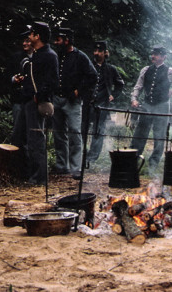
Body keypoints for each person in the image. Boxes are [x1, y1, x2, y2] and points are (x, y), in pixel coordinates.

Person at [10, 21, 58, 185]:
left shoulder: (50, 55)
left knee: (36, 140)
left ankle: (39, 178)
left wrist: (39, 96)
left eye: (31, 34)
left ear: (37, 36)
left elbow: (52, 82)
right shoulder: (37, 54)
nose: (29, 37)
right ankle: (24, 173)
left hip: (36, 102)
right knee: (19, 138)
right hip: (27, 101)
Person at [130, 46, 172, 175]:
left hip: (162, 106)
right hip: (146, 105)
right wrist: (134, 98)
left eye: (156, 54)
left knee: (159, 136)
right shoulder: (145, 70)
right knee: (140, 133)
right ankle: (132, 161)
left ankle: (153, 165)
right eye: (153, 54)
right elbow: (138, 86)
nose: (153, 56)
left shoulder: (170, 71)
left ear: (163, 57)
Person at [51, 28, 97, 179]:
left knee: (75, 132)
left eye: (58, 40)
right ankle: (61, 165)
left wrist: (78, 91)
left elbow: (92, 76)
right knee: (58, 133)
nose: (56, 42)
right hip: (57, 99)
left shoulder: (80, 56)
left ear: (67, 40)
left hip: (73, 101)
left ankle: (76, 168)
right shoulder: (57, 55)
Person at [87, 40, 124, 164]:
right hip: (88, 103)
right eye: (95, 51)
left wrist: (113, 95)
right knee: (82, 129)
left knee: (98, 131)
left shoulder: (110, 69)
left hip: (102, 104)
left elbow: (120, 84)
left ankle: (92, 158)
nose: (96, 53)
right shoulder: (88, 66)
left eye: (99, 51)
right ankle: (81, 155)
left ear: (104, 53)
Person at [7, 32, 35, 126]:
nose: (24, 44)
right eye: (23, 41)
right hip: (19, 99)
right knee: (18, 127)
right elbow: (7, 75)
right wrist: (14, 79)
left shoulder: (39, 57)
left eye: (27, 41)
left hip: (34, 99)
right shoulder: (16, 57)